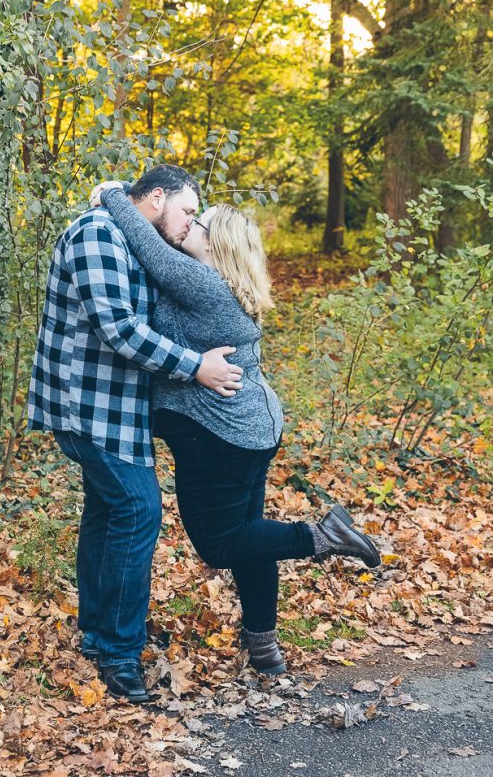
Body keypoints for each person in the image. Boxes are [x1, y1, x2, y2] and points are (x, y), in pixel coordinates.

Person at [92, 181, 381, 677]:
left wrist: (113, 194)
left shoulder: (202, 284)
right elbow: (158, 245)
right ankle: (264, 647)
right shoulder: (223, 285)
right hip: (251, 428)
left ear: (216, 245)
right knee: (250, 536)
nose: (190, 225)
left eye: (199, 224)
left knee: (221, 544)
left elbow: (149, 250)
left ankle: (323, 535)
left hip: (220, 434)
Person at [27, 165, 243, 703]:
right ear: (155, 198)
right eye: (188, 211)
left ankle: (100, 633)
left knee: (107, 512)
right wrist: (196, 366)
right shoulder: (95, 235)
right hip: (87, 407)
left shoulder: (126, 235)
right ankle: (120, 656)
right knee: (138, 510)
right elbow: (119, 330)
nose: (191, 221)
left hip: (115, 409)